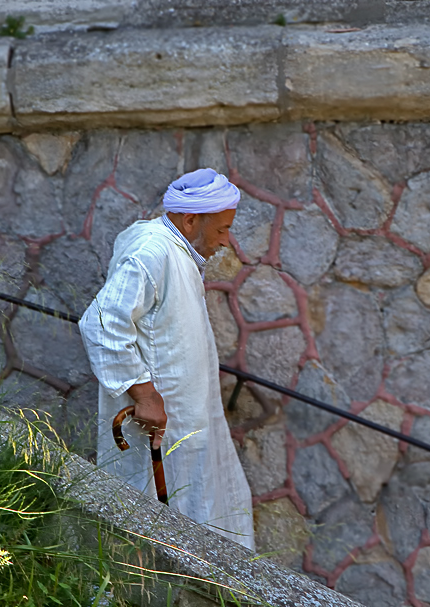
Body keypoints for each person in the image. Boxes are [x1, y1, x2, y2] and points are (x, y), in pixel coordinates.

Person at [78, 168, 254, 549]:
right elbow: (103, 323)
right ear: (191, 220)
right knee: (157, 533)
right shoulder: (152, 251)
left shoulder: (172, 251)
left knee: (195, 516)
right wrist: (143, 395)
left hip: (184, 425)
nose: (227, 242)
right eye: (222, 230)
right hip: (158, 430)